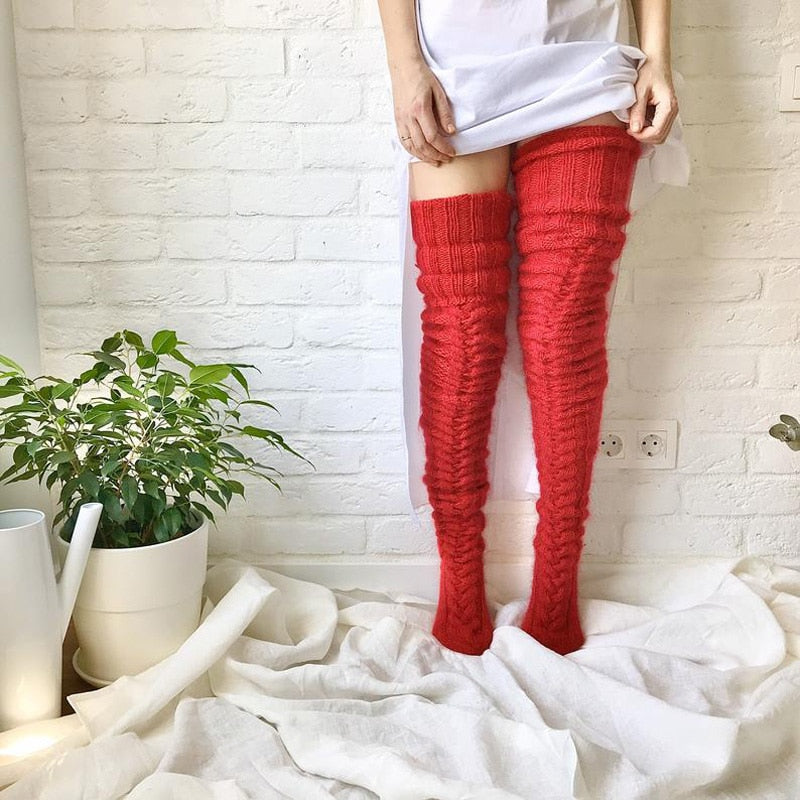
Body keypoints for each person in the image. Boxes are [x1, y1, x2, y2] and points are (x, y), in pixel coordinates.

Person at [376, 0, 690, 657]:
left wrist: (658, 54)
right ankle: (459, 582)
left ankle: (557, 588)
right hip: (455, 71)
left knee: (565, 329)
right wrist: (405, 66)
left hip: (587, 65)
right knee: (460, 326)